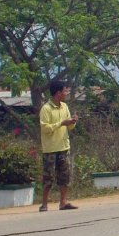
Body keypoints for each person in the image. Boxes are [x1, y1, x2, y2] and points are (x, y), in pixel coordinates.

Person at [39, 80, 79, 211]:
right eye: (64, 91)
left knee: (64, 176)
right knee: (48, 177)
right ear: (58, 93)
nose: (66, 93)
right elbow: (45, 128)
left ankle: (63, 202)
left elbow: (70, 127)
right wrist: (61, 123)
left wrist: (73, 122)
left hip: (63, 147)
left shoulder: (64, 106)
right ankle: (44, 203)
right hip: (50, 149)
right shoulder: (46, 109)